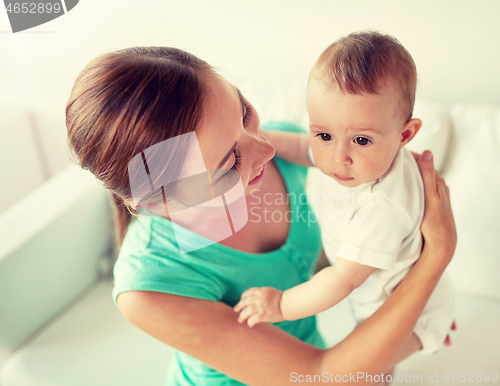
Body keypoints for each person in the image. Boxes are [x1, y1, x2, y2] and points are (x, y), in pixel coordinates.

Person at [65, 45, 457, 386]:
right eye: (229, 162)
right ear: (155, 201)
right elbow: (320, 377)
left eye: (244, 113)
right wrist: (436, 256)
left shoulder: (280, 149)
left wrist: (402, 305)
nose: (264, 150)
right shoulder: (149, 287)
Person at [235, 31, 456, 364]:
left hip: (409, 310)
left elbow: (343, 280)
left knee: (368, 371)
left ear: (405, 135)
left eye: (362, 141)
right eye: (323, 135)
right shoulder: (352, 154)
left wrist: (281, 305)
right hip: (388, 294)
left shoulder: (383, 207)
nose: (339, 157)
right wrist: (253, 139)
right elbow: (298, 147)